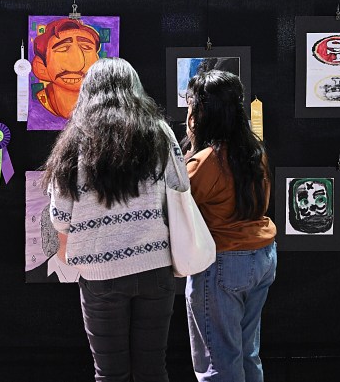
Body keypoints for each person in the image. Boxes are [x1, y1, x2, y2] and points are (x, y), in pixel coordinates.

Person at [43, 57, 187, 382]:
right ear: (135, 89)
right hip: (156, 266)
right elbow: (181, 187)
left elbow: (60, 215)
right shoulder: (159, 132)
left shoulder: (75, 140)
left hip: (100, 273)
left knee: (110, 373)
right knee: (153, 369)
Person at [182, 70, 277, 382]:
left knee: (218, 364)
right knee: (247, 354)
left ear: (202, 113)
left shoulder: (206, 161)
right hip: (262, 257)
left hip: (223, 263)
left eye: (191, 106)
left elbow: (176, 208)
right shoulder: (255, 151)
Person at [32, 18, 101, 119]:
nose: (78, 64)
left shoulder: (102, 105)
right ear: (41, 67)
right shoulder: (36, 110)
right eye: (63, 49)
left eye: (86, 48)